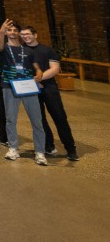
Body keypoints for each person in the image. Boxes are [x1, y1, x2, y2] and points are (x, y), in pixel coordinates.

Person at [0, 17, 50, 166]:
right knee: (11, 119)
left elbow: (36, 66)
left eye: (15, 30)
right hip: (9, 86)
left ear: (18, 33)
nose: (12, 32)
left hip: (28, 86)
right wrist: (1, 30)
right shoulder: (3, 48)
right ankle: (13, 148)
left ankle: (40, 151)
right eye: (9, 30)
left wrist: (39, 72)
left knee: (37, 120)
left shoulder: (28, 50)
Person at [19, 26, 79, 160]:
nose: (25, 36)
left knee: (59, 117)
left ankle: (71, 148)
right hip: (31, 88)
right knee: (39, 119)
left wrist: (38, 79)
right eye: (22, 34)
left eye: (28, 34)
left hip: (49, 88)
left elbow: (55, 68)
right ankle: (49, 146)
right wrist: (31, 82)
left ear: (35, 35)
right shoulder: (20, 51)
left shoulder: (47, 50)